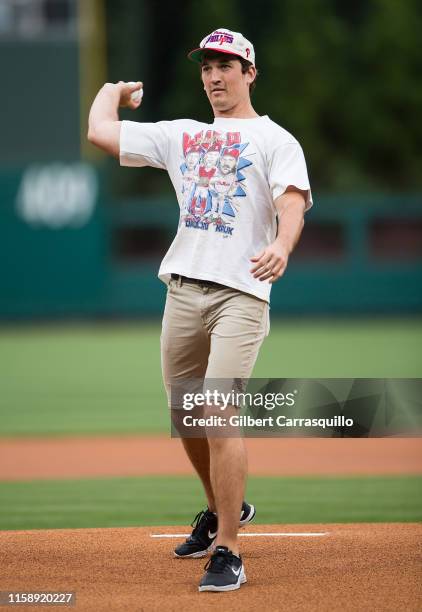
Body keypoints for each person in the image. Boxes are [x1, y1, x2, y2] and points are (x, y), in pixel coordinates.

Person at [87, 27, 313, 593]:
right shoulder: (182, 135)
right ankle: (219, 511)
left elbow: (291, 202)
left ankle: (230, 550)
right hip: (183, 290)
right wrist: (111, 89)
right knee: (184, 413)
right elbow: (99, 133)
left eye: (226, 66)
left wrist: (282, 245)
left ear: (249, 72)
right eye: (207, 67)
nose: (214, 76)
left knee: (216, 409)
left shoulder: (275, 140)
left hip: (241, 293)